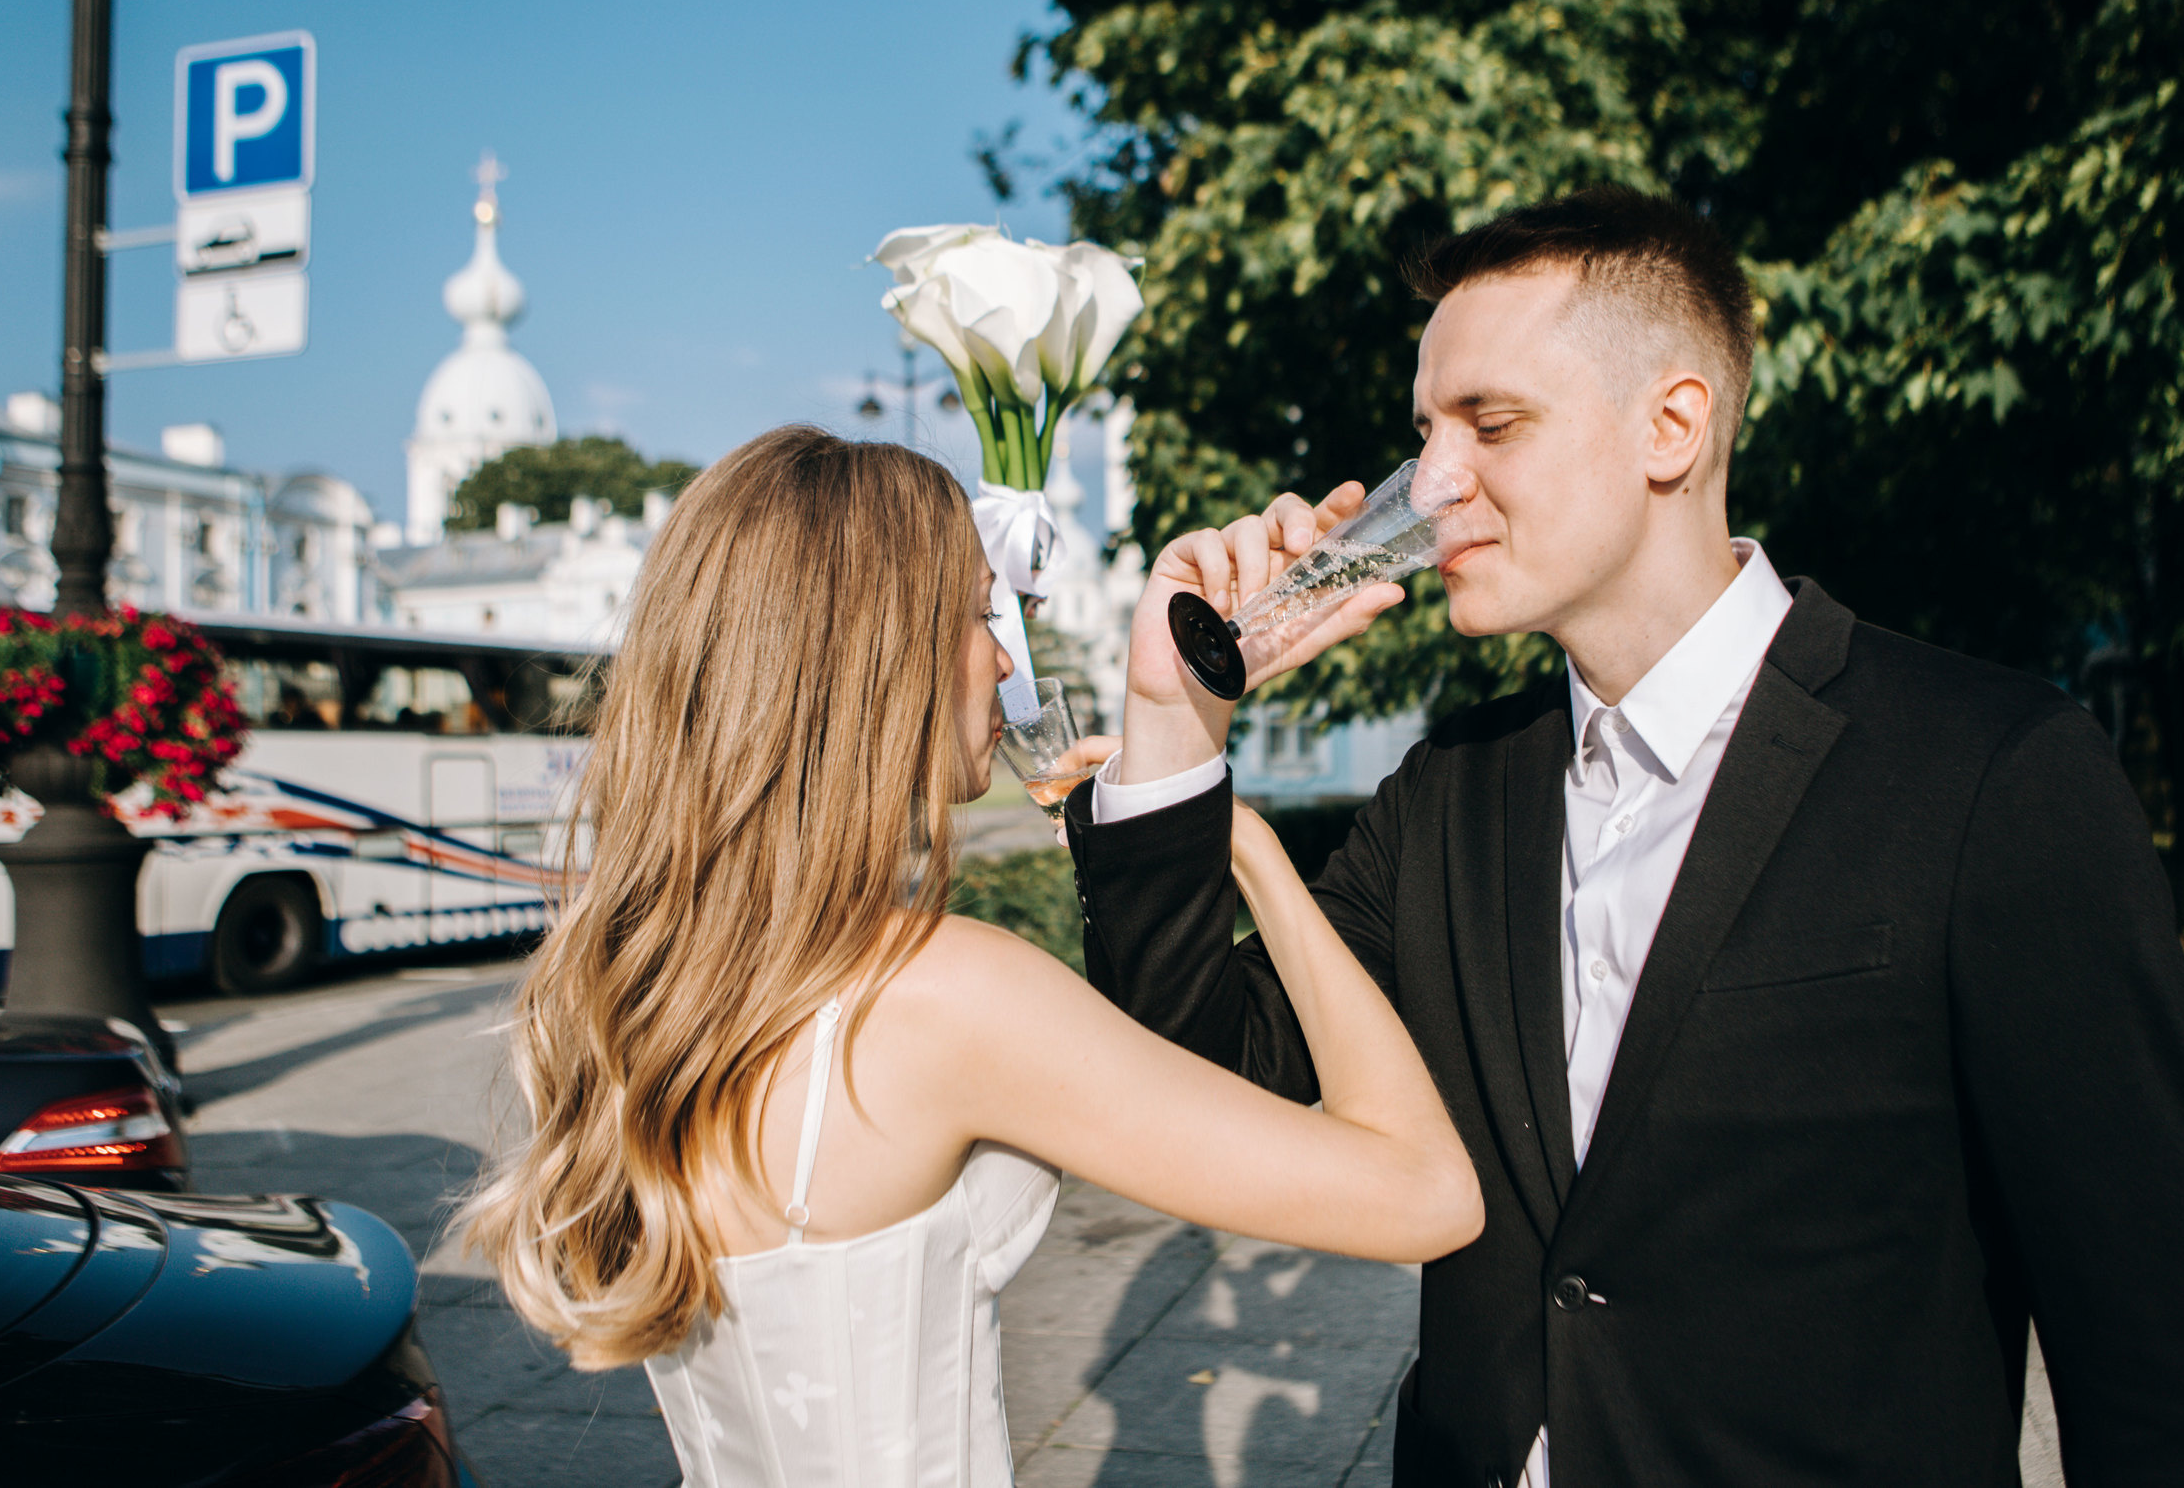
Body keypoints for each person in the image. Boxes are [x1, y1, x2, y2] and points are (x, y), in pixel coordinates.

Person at [1065, 186, 2184, 1486]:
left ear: (1673, 425)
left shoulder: (1994, 775)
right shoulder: (1451, 793)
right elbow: (1199, 1082)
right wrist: (1173, 716)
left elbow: (2160, 1365)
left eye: (1493, 423)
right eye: (1427, 432)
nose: (1432, 482)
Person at [461, 425, 1480, 1488]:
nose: (1003, 658)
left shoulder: (661, 989)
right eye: (978, 613)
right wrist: (1252, 849)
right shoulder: (941, 995)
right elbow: (1426, 1193)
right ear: (876, 653)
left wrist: (1176, 721)